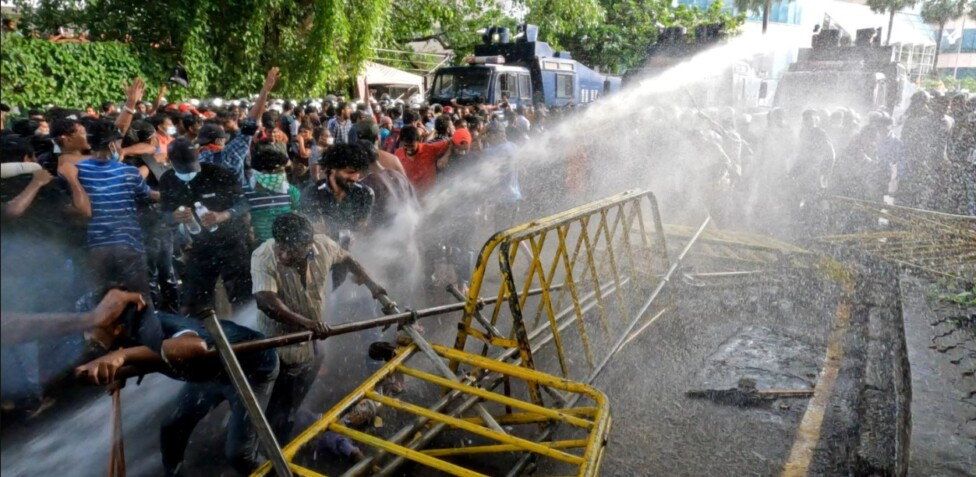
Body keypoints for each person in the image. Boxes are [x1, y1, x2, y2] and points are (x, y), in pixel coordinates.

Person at [74, 303, 277, 476]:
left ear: (115, 325)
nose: (87, 336)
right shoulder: (124, 336)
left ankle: (277, 473)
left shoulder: (150, 326)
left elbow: (194, 346)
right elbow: (148, 357)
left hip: (249, 370)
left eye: (91, 327)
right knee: (172, 428)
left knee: (240, 454)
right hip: (211, 375)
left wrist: (121, 357)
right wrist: (121, 370)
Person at [252, 213, 386, 440]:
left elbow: (347, 259)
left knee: (303, 380)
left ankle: (291, 416)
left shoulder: (323, 245)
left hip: (312, 338)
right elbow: (265, 300)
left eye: (292, 250)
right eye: (280, 247)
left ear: (308, 245)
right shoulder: (263, 255)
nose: (283, 255)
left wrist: (373, 286)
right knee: (277, 395)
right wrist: (308, 323)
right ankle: (272, 439)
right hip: (277, 341)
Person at [159, 138, 252, 317]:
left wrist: (223, 215)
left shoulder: (219, 173)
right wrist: (175, 217)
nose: (189, 173)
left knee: (240, 297)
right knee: (193, 301)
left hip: (231, 244)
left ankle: (245, 335)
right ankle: (206, 335)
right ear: (170, 162)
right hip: (200, 248)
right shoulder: (168, 180)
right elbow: (164, 213)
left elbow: (243, 204)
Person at [300, 143, 375, 237]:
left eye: (358, 173)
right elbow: (316, 232)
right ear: (333, 169)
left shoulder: (365, 193)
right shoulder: (312, 193)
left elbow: (361, 231)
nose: (355, 178)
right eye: (350, 172)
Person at [245, 144, 301, 244]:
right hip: (257, 250)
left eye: (284, 171)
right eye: (279, 171)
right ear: (263, 173)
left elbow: (298, 215)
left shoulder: (290, 191)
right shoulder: (245, 193)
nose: (283, 175)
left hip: (285, 248)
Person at [394, 125, 450, 196]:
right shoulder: (398, 154)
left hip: (431, 196)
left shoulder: (429, 149)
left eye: (412, 146)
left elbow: (450, 142)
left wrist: (446, 156)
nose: (409, 150)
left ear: (419, 141)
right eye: (406, 146)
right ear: (402, 143)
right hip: (411, 197)